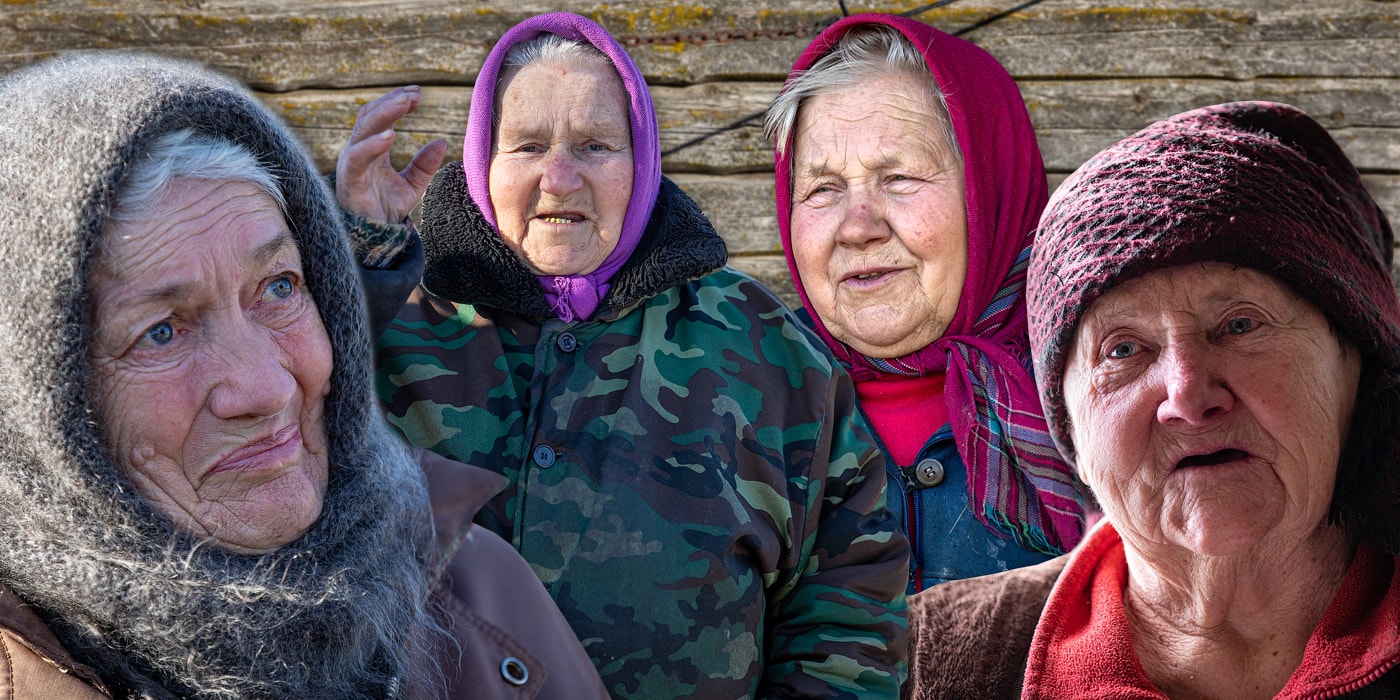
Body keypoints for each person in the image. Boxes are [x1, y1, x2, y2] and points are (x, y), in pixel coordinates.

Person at [339, 11, 909, 699]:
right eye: (525, 146)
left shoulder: (763, 346)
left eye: (596, 145)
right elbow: (277, 437)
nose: (559, 177)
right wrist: (361, 260)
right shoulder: (394, 318)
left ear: (641, 162)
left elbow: (849, 591)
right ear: (480, 163)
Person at [0, 53, 607, 699]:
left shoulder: (477, 587)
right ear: (32, 401)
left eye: (279, 287)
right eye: (160, 331)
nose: (267, 389)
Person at [905, 102, 1400, 698]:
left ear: (1356, 366)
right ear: (1072, 433)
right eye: (1122, 351)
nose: (1188, 396)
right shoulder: (926, 661)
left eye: (1240, 325)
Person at [764, 13, 1087, 592]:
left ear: (990, 194)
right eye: (822, 189)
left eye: (900, 178)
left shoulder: (1101, 400)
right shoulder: (745, 414)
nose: (856, 227)